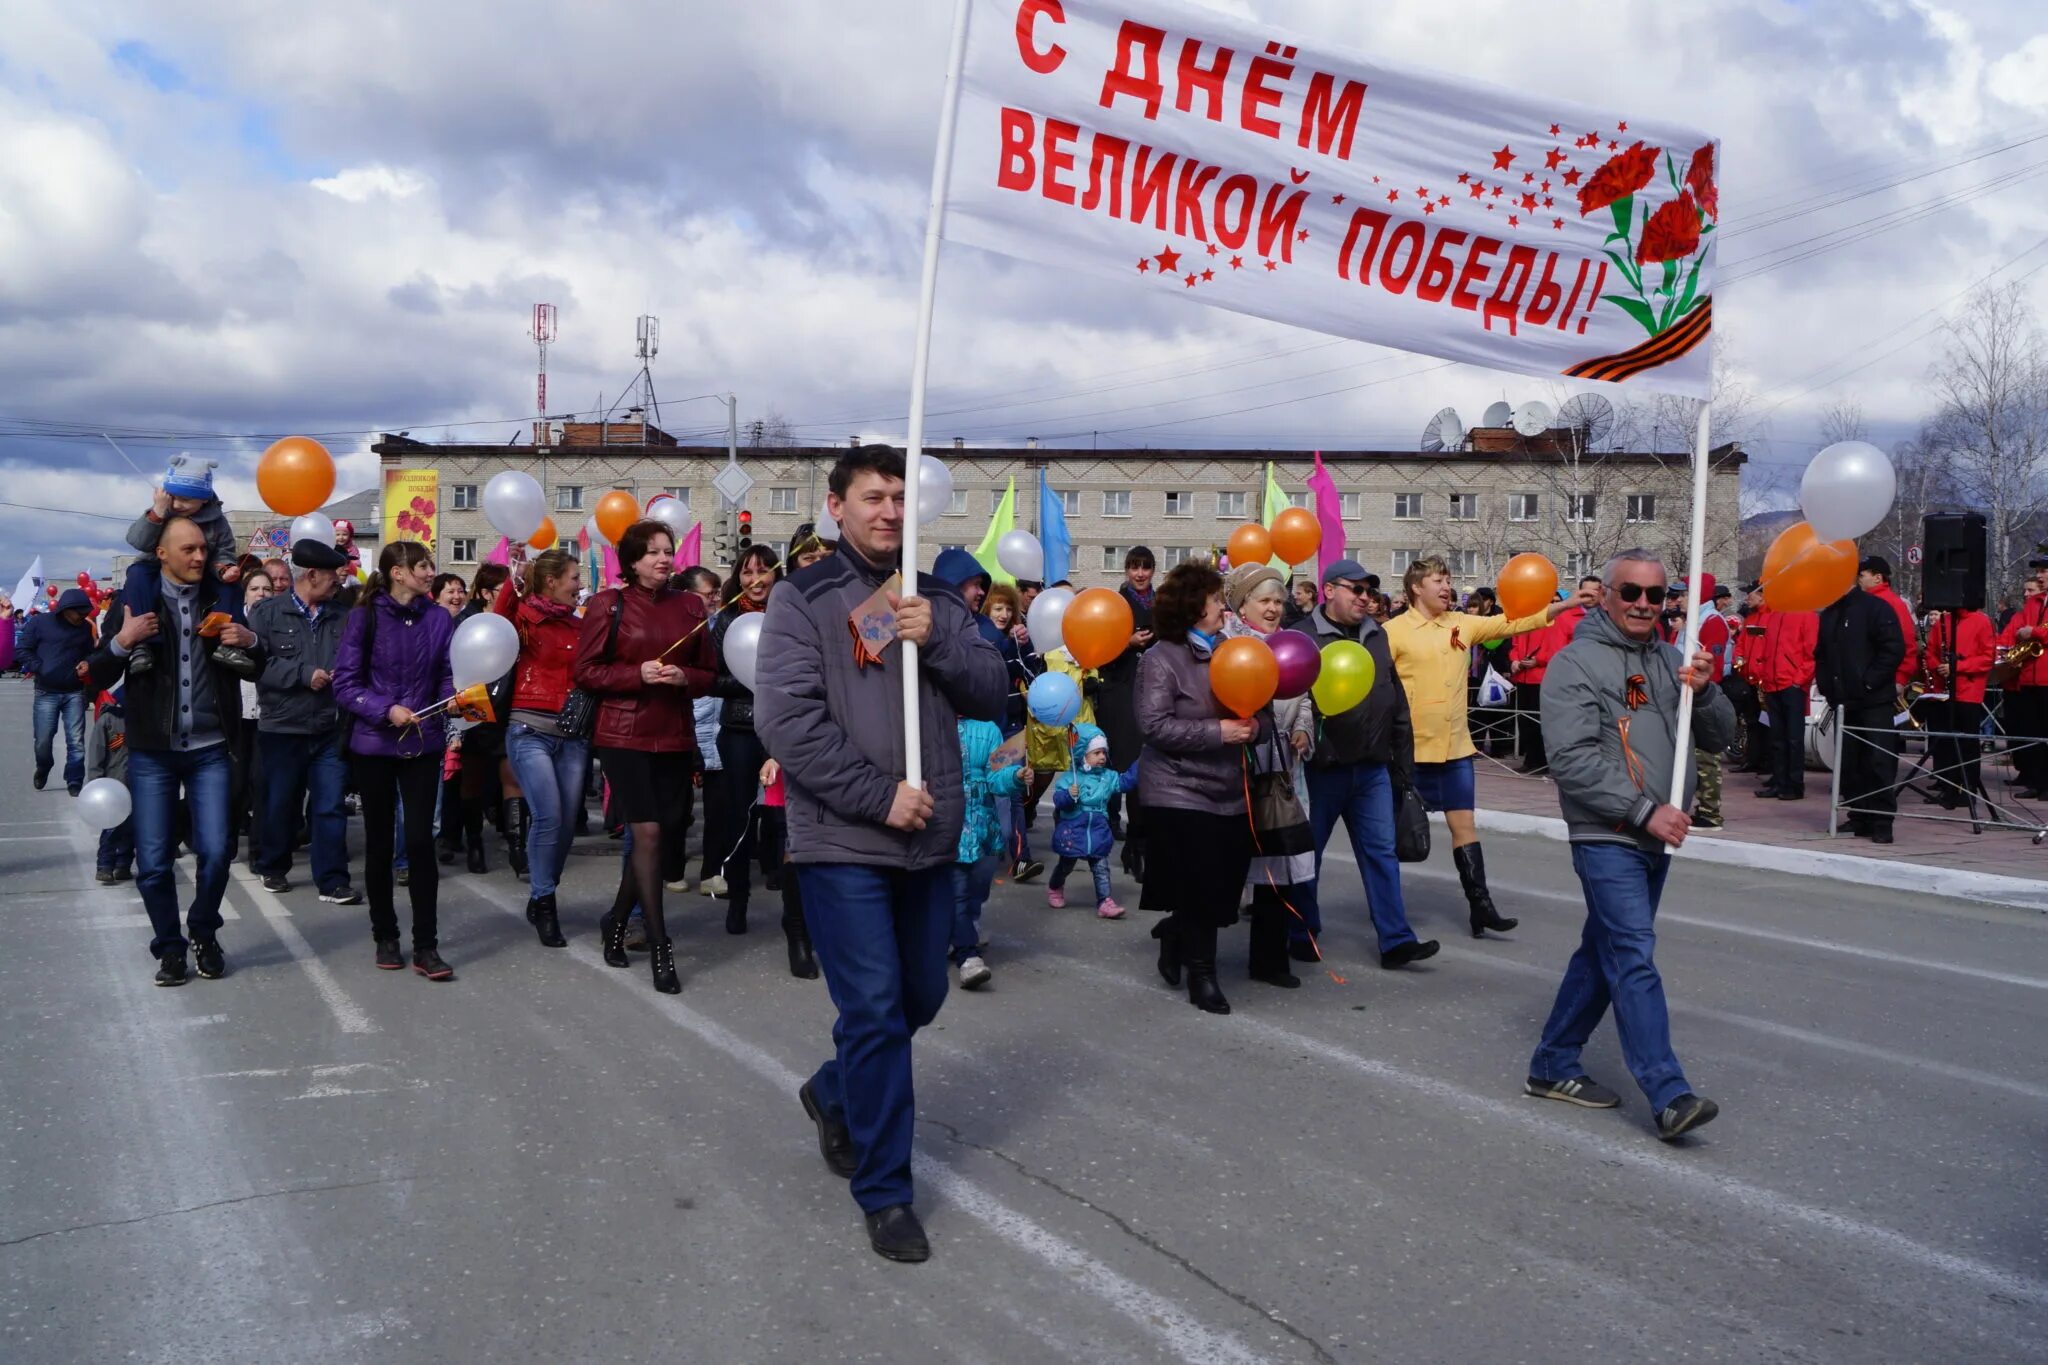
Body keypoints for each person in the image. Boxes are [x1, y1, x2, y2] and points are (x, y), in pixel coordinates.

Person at [755, 444, 1007, 1264]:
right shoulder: (805, 598)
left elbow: (990, 689)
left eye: (901, 497)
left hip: (929, 839)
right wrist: (876, 795)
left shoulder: (934, 598)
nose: (891, 511)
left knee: (918, 998)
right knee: (872, 1009)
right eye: (873, 497)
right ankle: (887, 1191)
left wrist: (938, 638)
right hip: (844, 840)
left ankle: (833, 1090)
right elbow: (787, 722)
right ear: (838, 506)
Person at [1530, 548, 1731, 1141]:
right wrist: (1645, 810)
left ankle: (1551, 1062)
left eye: (1656, 595)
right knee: (1633, 952)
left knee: (1606, 949)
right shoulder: (1576, 664)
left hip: (1655, 835)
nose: (1645, 604)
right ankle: (1669, 1095)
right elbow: (1570, 760)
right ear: (1607, 595)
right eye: (1631, 593)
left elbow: (1721, 739)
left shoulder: (1672, 661)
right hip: (1608, 832)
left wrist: (1709, 690)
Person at [85, 517, 258, 986]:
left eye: (203, 548)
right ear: (161, 554)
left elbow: (256, 665)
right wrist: (122, 643)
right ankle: (170, 948)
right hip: (152, 753)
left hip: (209, 749)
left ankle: (203, 931)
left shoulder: (220, 596)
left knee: (219, 850)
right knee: (155, 860)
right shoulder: (133, 602)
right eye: (188, 550)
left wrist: (251, 640)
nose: (200, 557)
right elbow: (95, 674)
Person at [1385, 556, 1593, 935]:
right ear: (1416, 587)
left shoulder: (1462, 623)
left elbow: (1512, 622)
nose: (1446, 587)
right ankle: (1388, 915)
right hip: (1410, 753)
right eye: (1437, 580)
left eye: (1448, 580)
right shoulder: (1393, 631)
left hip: (1456, 750)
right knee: (1394, 836)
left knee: (1465, 827)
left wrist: (1567, 603)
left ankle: (1481, 907)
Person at [575, 520, 715, 994]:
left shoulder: (690, 605)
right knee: (648, 833)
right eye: (652, 552)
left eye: (667, 550)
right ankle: (659, 945)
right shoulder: (606, 604)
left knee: (665, 834)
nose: (662, 558)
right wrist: (638, 674)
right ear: (631, 561)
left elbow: (709, 673)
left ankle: (614, 921)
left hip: (674, 735)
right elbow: (587, 672)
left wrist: (683, 679)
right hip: (623, 733)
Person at [1134, 560, 1264, 1015]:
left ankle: (1174, 932)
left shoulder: (1235, 651)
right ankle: (1202, 977)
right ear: (1193, 607)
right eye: (1215, 600)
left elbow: (1257, 709)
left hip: (1229, 786)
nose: (1223, 608)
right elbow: (1152, 726)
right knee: (1201, 885)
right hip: (1178, 789)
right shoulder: (1161, 659)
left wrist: (1254, 729)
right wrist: (1219, 733)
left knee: (1225, 889)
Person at [1297, 560, 1436, 966]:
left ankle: (1396, 941)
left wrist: (1402, 764)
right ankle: (1301, 932)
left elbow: (1394, 700)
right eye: (1355, 590)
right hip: (1321, 770)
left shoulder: (1376, 635)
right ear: (1328, 591)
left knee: (1381, 854)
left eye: (1369, 591)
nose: (1364, 598)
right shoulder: (1303, 637)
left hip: (1372, 768)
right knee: (1309, 856)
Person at [334, 541, 458, 980]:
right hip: (374, 745)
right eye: (423, 566)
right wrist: (385, 709)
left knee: (422, 842)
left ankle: (427, 945)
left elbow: (447, 673)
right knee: (381, 842)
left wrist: (449, 702)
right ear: (398, 573)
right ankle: (385, 934)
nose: (431, 573)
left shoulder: (440, 618)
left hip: (423, 742)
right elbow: (345, 684)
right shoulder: (363, 617)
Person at [247, 539, 360, 903]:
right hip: (282, 727)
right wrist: (302, 674)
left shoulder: (341, 616)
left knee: (329, 805)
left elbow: (354, 661)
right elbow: (256, 665)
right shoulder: (266, 614)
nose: (338, 583)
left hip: (329, 727)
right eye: (332, 576)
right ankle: (273, 866)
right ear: (312, 574)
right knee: (282, 802)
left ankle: (332, 879)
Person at [1223, 564, 1316, 986]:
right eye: (1265, 600)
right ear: (1243, 604)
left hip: (1280, 775)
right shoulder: (1230, 647)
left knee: (1277, 871)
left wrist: (1302, 731)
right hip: (1239, 773)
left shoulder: (1291, 646)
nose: (1274, 608)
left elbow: (1307, 698)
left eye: (1279, 601)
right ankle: (1182, 938)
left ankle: (1269, 960)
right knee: (1223, 871)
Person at [494, 547, 588, 947]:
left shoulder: (580, 626)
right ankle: (544, 900)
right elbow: (497, 622)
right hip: (528, 729)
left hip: (573, 735)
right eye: (573, 578)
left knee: (567, 823)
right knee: (548, 815)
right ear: (551, 581)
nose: (579, 585)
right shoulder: (524, 619)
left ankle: (544, 884)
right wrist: (514, 576)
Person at [120, 458, 253, 680]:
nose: (178, 504)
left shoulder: (217, 521)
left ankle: (229, 644)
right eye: (174, 498)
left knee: (231, 588)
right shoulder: (164, 510)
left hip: (203, 572)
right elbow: (138, 541)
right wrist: (157, 512)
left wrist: (225, 568)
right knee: (136, 574)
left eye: (186, 500)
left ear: (203, 499)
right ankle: (143, 645)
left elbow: (224, 551)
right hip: (157, 568)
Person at [709, 543, 781, 935]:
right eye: (748, 572)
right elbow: (713, 678)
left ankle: (786, 891)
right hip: (739, 729)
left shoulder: (790, 616)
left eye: (764, 571)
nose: (756, 580)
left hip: (785, 729)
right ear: (738, 577)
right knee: (740, 817)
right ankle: (737, 899)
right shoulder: (727, 620)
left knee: (781, 814)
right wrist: (753, 682)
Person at [1815, 579, 1907, 842]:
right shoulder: (1831, 613)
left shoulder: (1875, 608)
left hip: (1873, 700)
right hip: (1843, 701)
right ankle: (1858, 814)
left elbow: (1893, 648)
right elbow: (1821, 654)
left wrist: (1869, 681)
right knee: (1850, 762)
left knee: (1878, 759)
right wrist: (1826, 687)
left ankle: (1881, 820)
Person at [950, 714, 1028, 989]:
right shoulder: (930, 721)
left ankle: (964, 929)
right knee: (956, 894)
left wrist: (1016, 776)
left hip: (984, 826)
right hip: (949, 826)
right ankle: (967, 957)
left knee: (979, 888)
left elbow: (997, 774)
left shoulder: (988, 729)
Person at [1095, 547, 1157, 852]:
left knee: (1143, 760)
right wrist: (1127, 642)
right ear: (1126, 571)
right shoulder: (1116, 604)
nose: (1140, 574)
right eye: (1134, 567)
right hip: (1119, 691)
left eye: (1146, 568)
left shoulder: (1160, 604)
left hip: (1151, 691)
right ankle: (1109, 820)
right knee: (1120, 758)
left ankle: (1138, 833)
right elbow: (1100, 649)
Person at [1660, 574, 1733, 830]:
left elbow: (1712, 662)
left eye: (1686, 592)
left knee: (1705, 754)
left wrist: (1699, 686)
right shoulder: (1691, 619)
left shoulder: (1712, 621)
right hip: (1683, 691)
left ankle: (1710, 812)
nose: (1680, 598)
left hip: (1702, 694)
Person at [1046, 728, 1138, 918]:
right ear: (1083, 755)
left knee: (1101, 867)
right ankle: (1055, 886)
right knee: (1066, 865)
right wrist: (1068, 796)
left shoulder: (1108, 777)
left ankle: (1105, 901)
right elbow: (1060, 802)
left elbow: (1126, 782)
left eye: (1104, 752)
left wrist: (1142, 762)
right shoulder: (1071, 778)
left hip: (1097, 831)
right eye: (1096, 753)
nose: (1102, 756)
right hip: (1073, 831)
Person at [22, 586, 96, 794]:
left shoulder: (83, 629)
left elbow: (91, 653)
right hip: (46, 692)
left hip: (74, 692)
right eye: (79, 613)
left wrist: (87, 662)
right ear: (65, 609)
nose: (83, 616)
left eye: (86, 613)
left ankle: (74, 780)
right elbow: (23, 649)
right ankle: (44, 766)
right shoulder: (40, 623)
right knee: (43, 739)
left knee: (76, 740)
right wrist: (39, 667)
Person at [1924, 605, 1995, 811]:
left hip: (1968, 691)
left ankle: (1968, 789)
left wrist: (1958, 667)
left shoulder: (1981, 621)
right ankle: (1948, 787)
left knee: (1968, 744)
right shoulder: (1943, 622)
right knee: (1945, 742)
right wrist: (1938, 666)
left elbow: (1986, 658)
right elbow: (1931, 651)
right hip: (1945, 690)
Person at [1749, 596, 1819, 800]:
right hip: (1774, 683)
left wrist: (1798, 680)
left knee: (1793, 738)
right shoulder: (1775, 614)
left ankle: (1795, 785)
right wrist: (1764, 674)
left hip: (1791, 684)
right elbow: (1767, 649)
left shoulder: (1806, 615)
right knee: (1778, 738)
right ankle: (1780, 782)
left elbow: (1812, 653)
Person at [1996, 556, 2048, 800]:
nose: (2040, 575)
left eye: (2044, 571)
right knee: (2033, 732)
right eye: (2039, 571)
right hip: (2029, 676)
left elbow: (2034, 631)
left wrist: (2034, 632)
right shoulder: (2034, 603)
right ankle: (2037, 782)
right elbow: (2021, 629)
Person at [86, 688, 133, 884]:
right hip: (113, 783)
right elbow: (96, 752)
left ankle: (123, 865)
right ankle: (105, 865)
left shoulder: (146, 721)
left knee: (133, 827)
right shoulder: (108, 721)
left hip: (138, 783)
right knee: (112, 826)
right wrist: (97, 782)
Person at [1859, 556, 1917, 700]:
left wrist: (1900, 679)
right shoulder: (1860, 602)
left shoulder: (1893, 604)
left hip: (1884, 683)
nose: (1858, 579)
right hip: (1862, 681)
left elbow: (1907, 643)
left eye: (1861, 575)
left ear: (1878, 578)